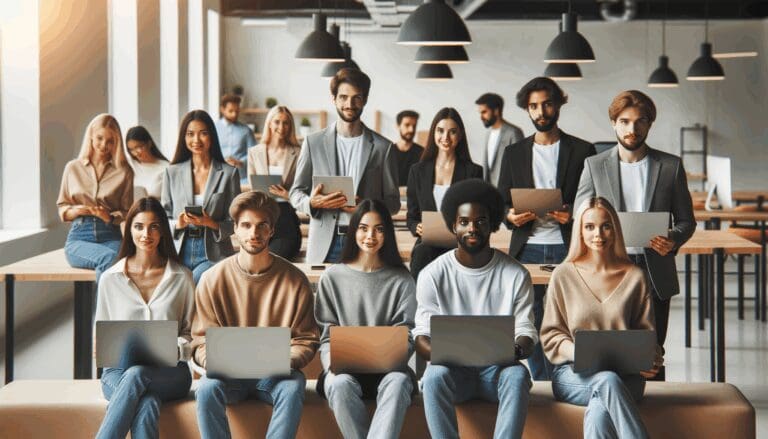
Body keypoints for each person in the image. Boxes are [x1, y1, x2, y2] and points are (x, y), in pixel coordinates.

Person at [575, 90, 695, 381]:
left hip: (654, 270)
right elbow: (580, 217)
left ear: (649, 124)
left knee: (651, 354)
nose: (632, 128)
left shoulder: (670, 166)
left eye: (640, 121)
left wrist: (673, 239)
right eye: (625, 121)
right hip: (608, 268)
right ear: (614, 123)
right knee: (610, 351)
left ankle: (653, 409)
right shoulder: (594, 165)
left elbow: (686, 221)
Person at [414, 179, 537, 439]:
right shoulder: (432, 274)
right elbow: (421, 337)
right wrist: (452, 353)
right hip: (453, 373)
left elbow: (526, 332)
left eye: (480, 221)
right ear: (453, 226)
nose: (472, 228)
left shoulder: (516, 274)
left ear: (492, 225)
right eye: (464, 222)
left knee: (517, 375)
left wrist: (514, 350)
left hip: (497, 372)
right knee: (433, 375)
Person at [192, 191, 319, 439]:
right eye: (246, 225)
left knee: (293, 385)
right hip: (228, 375)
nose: (254, 233)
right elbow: (200, 341)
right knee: (206, 387)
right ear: (235, 229)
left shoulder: (295, 280)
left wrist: (281, 361)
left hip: (274, 374)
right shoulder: (211, 279)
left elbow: (305, 339)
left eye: (262, 225)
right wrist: (219, 362)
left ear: (272, 230)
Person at [496, 77, 596, 380]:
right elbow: (501, 202)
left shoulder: (583, 150)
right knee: (531, 319)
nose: (541, 112)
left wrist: (575, 215)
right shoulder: (514, 152)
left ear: (558, 104)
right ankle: (541, 380)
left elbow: (595, 199)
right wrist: (510, 216)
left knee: (571, 317)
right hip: (527, 246)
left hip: (570, 246)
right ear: (527, 109)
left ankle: (567, 377)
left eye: (547, 104)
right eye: (534, 106)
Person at [541, 196, 663, 439]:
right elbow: (551, 335)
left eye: (605, 226)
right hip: (573, 375)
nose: (598, 234)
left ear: (615, 229)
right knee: (607, 381)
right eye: (589, 226)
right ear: (580, 231)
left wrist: (652, 359)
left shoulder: (635, 277)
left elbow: (647, 336)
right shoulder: (563, 275)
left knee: (600, 409)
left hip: (626, 377)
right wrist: (579, 352)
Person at [315, 199, 417, 439]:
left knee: (399, 383)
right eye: (363, 228)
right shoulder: (332, 277)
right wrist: (332, 363)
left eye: (379, 229)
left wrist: (390, 354)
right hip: (343, 371)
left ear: (387, 234)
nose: (370, 236)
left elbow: (407, 333)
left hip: (388, 370)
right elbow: (326, 336)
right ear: (353, 231)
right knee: (338, 384)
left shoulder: (402, 279)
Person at [94, 197, 195, 439]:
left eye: (154, 227)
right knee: (146, 402)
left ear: (163, 231)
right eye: (139, 226)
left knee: (138, 374)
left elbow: (191, 335)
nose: (146, 234)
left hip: (171, 373)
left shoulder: (182, 277)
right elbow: (101, 338)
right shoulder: (110, 279)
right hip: (118, 371)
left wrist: (174, 348)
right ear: (129, 230)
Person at [290, 67, 400, 264]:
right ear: (334, 99)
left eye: (356, 98)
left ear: (365, 100)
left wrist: (366, 207)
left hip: (367, 242)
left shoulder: (384, 148)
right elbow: (296, 193)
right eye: (343, 97)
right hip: (325, 243)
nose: (349, 104)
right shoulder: (313, 143)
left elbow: (393, 203)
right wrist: (312, 203)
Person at [161, 110, 241, 284]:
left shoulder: (229, 173)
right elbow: (162, 218)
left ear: (212, 136)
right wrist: (178, 224)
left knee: (195, 283)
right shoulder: (171, 172)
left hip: (214, 254)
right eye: (190, 134)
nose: (196, 140)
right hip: (178, 251)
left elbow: (236, 222)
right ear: (184, 137)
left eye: (203, 133)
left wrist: (210, 222)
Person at [407, 107, 482, 280]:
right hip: (427, 246)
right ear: (433, 133)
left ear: (460, 135)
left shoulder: (473, 171)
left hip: (460, 244)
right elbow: (412, 217)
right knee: (422, 253)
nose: (445, 137)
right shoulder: (417, 171)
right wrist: (416, 226)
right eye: (440, 131)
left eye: (452, 132)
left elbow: (478, 215)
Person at [57, 113, 133, 281]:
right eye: (99, 138)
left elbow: (128, 212)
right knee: (110, 260)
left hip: (111, 235)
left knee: (116, 262)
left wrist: (110, 217)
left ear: (117, 142)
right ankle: (106, 300)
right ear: (91, 135)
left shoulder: (124, 171)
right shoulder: (72, 168)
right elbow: (63, 207)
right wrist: (76, 211)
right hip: (79, 237)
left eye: (110, 141)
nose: (104, 145)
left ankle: (103, 300)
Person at [247, 105, 302, 260]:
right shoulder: (255, 152)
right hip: (260, 220)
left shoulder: (299, 153)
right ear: (269, 123)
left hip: (286, 221)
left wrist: (287, 195)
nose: (281, 127)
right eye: (277, 122)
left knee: (269, 260)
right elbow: (252, 190)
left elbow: (305, 191)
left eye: (286, 123)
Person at [475, 92, 524, 186]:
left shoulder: (513, 133)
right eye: (480, 113)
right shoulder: (488, 134)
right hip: (489, 190)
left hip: (507, 190)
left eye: (484, 112)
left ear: (496, 111)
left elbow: (519, 167)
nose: (481, 117)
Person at [215, 94, 256, 184]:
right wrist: (222, 161)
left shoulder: (246, 130)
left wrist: (240, 162)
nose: (234, 114)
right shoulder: (213, 129)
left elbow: (254, 153)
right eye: (231, 111)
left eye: (237, 111)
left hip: (242, 179)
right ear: (222, 109)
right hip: (218, 177)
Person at [125, 126, 170, 199]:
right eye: (131, 149)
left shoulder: (166, 168)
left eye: (138, 147)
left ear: (149, 144)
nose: (135, 153)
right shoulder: (130, 164)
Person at [392, 110, 424, 186]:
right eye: (407, 125)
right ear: (398, 126)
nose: (411, 129)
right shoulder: (388, 152)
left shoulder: (423, 153)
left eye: (414, 126)